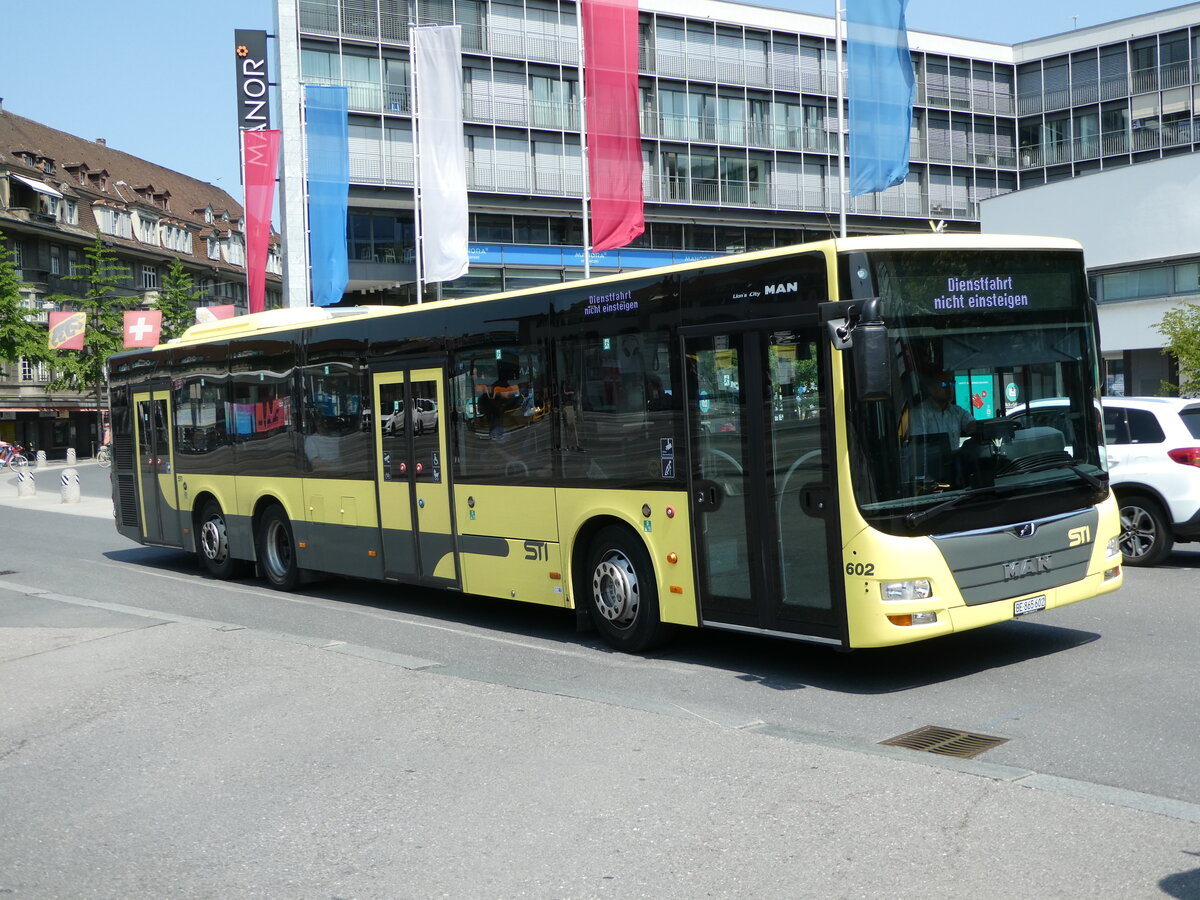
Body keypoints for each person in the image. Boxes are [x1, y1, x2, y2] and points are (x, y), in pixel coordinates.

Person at [904, 371, 976, 445]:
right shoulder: (918, 414)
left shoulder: (957, 411)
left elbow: (973, 425)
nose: (950, 388)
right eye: (944, 384)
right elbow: (920, 448)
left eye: (952, 383)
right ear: (931, 388)